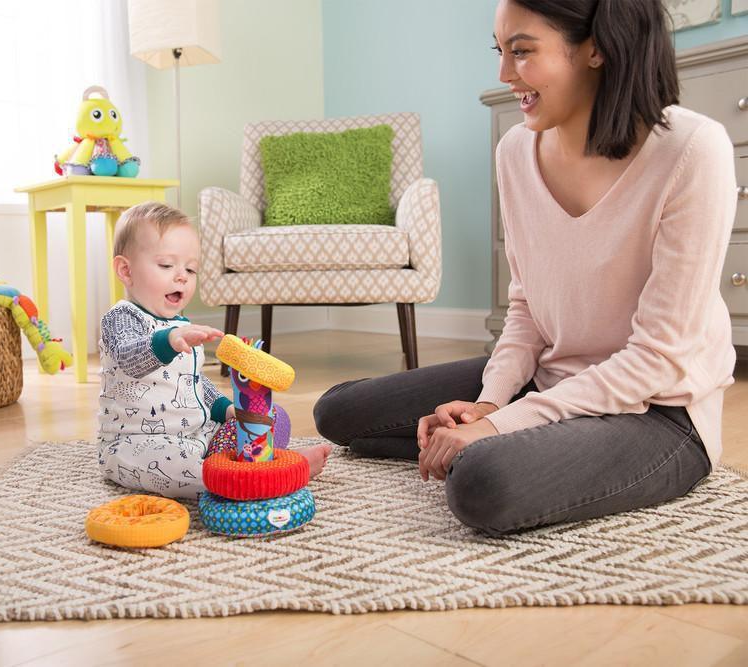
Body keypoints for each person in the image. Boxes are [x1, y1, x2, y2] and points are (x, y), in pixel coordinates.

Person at [314, 0, 737, 535]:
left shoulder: (692, 148)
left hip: (660, 411)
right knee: (337, 413)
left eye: (522, 52)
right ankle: (478, 442)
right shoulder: (516, 149)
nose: (503, 73)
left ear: (596, 49)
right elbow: (527, 307)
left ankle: (491, 449)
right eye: (500, 51)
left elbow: (657, 359)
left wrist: (499, 424)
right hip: (547, 378)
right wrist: (487, 403)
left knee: (482, 482)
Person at [98, 202, 331, 499]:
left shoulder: (181, 326)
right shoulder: (121, 318)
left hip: (197, 436)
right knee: (187, 470)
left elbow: (193, 381)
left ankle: (249, 467)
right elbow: (130, 358)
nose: (181, 275)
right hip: (138, 444)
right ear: (125, 270)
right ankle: (267, 476)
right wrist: (169, 340)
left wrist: (227, 410)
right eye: (167, 265)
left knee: (271, 419)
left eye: (190, 269)